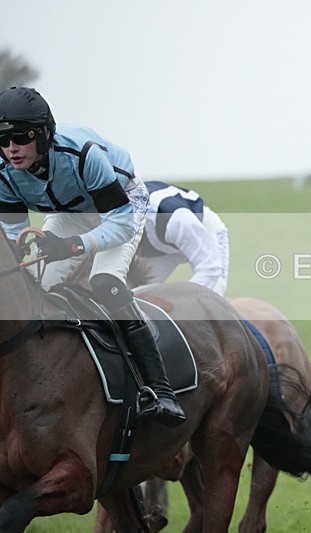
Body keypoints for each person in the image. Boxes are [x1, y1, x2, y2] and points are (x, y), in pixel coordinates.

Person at [0, 87, 185, 426]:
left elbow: (120, 225)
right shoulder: (2, 170)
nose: (11, 148)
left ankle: (162, 391)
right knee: (39, 290)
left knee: (105, 283)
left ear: (43, 134)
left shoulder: (83, 155)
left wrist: (70, 246)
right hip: (70, 211)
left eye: (21, 137)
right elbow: (14, 234)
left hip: (121, 206)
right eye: (3, 138)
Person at [136, 180, 229, 296]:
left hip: (202, 229)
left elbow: (210, 268)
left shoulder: (177, 219)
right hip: (160, 243)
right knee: (138, 293)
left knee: (214, 291)